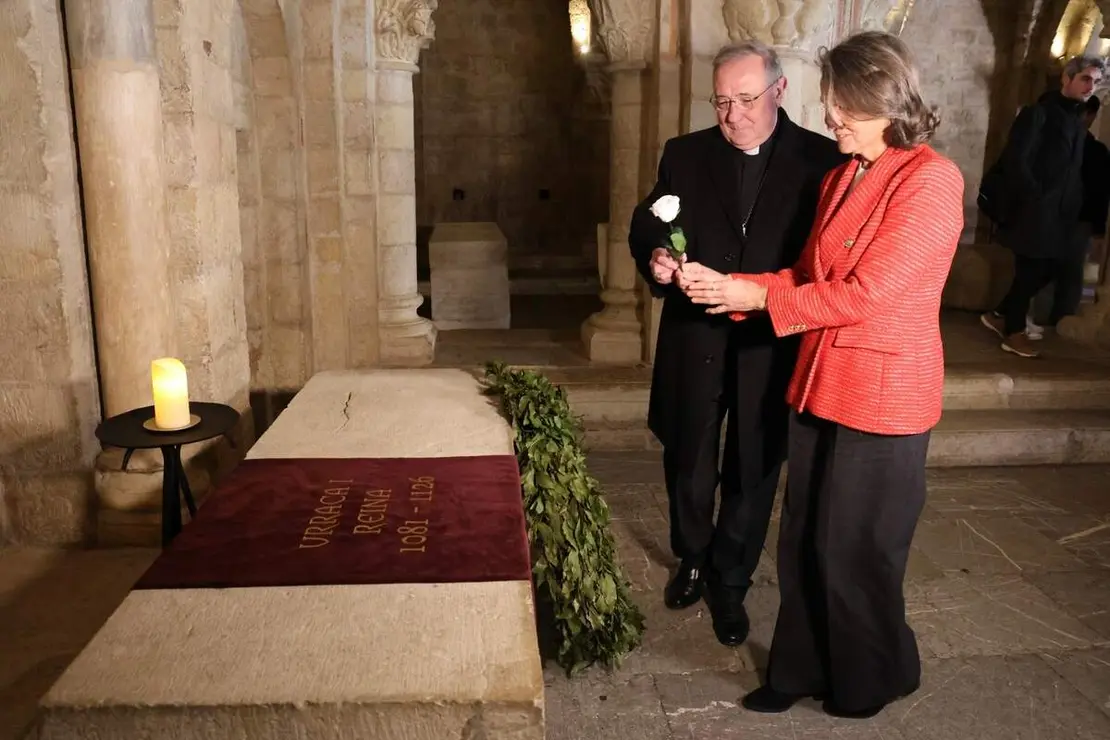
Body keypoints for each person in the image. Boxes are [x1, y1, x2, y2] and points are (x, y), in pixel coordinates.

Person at [678, 31, 963, 717]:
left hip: (885, 396)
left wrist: (759, 301)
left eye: (841, 104)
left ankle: (871, 678)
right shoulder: (843, 175)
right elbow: (809, 276)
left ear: (884, 99)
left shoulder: (928, 179)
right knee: (804, 540)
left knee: (858, 553)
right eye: (830, 101)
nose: (830, 116)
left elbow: (869, 294)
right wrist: (736, 288)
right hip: (820, 383)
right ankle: (798, 670)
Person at [627, 40, 846, 647]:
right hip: (694, 333)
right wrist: (658, 256)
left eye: (747, 100)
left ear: (779, 90)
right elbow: (650, 219)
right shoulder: (685, 152)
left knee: (754, 463)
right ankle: (693, 557)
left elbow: (825, 262)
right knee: (689, 454)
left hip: (768, 341)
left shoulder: (822, 159)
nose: (734, 115)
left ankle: (731, 580)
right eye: (722, 102)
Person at [980, 55, 1104, 357]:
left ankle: (999, 315)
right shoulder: (1038, 113)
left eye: (1096, 82)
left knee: (1050, 268)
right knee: (1031, 270)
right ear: (1067, 78)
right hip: (1034, 210)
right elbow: (1016, 159)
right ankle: (1013, 332)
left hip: (1061, 213)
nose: (1091, 86)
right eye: (1086, 79)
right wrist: (1035, 196)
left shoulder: (1077, 119)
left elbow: (1071, 169)